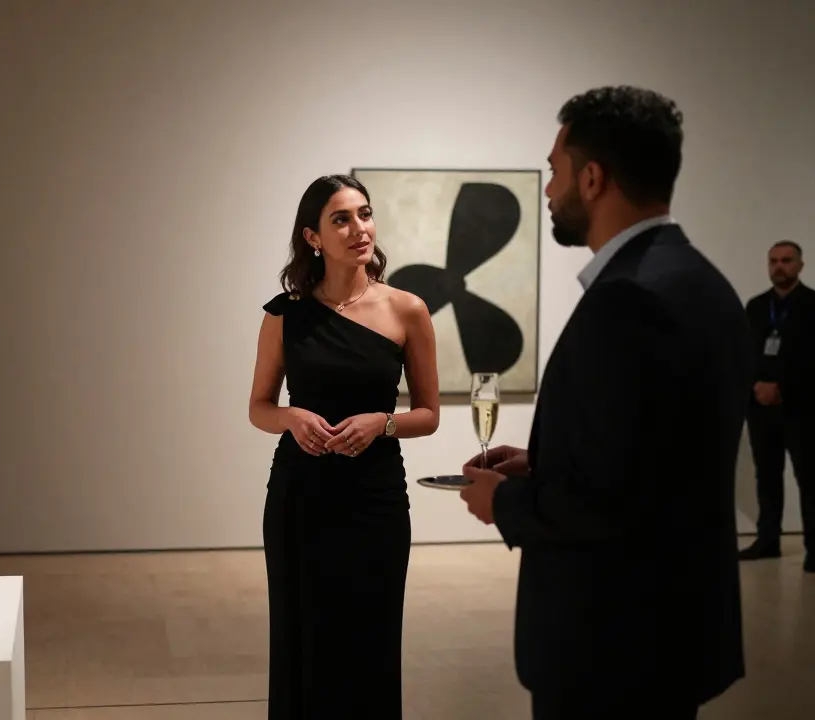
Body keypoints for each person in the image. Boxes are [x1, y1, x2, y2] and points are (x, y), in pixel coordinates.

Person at [458, 86, 751, 718]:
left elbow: (608, 503)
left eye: (554, 171)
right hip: (670, 632)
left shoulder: (629, 299)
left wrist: (500, 500)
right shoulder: (704, 283)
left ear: (592, 179)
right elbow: (652, 462)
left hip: (610, 645)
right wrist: (543, 463)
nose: (547, 190)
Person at [248, 174, 440, 719]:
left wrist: (383, 423)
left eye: (364, 214)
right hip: (300, 498)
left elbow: (428, 414)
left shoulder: (407, 310)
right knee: (301, 635)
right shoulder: (283, 315)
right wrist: (290, 417)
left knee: (371, 639)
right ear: (313, 236)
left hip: (374, 498)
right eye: (341, 218)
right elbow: (258, 406)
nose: (359, 228)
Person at [740, 240, 815, 570]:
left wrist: (782, 388)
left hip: (802, 410)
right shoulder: (756, 307)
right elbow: (744, 354)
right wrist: (755, 387)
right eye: (773, 261)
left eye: (786, 260)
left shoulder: (814, 306)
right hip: (761, 410)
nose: (779, 267)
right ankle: (768, 539)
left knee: (810, 479)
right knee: (767, 477)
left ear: (800, 265)